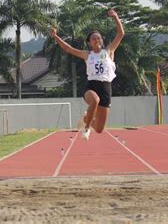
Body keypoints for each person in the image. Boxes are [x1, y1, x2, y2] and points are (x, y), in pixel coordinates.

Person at [50, 8, 124, 140]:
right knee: (95, 100)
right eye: (94, 38)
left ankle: (86, 118)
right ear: (89, 42)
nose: (97, 40)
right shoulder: (87, 55)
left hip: (106, 88)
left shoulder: (109, 51)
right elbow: (68, 49)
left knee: (100, 129)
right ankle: (86, 129)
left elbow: (120, 33)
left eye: (99, 38)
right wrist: (55, 37)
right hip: (92, 87)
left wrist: (115, 17)